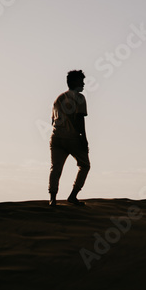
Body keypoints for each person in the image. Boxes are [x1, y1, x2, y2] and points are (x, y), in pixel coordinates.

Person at [48, 70, 90, 206]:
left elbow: (52, 120)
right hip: (72, 138)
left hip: (56, 137)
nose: (83, 84)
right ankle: (73, 196)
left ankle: (52, 199)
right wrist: (83, 138)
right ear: (73, 82)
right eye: (80, 81)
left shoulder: (58, 98)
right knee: (85, 165)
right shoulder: (79, 97)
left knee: (55, 168)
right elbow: (79, 119)